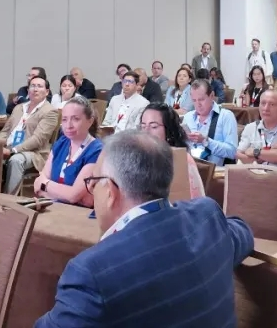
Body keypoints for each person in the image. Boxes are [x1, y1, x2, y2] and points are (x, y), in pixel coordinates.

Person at [35, 131, 254, 328]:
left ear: (110, 192)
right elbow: (243, 231)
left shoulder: (92, 273)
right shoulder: (207, 217)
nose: (92, 189)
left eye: (93, 182)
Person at [33, 97, 103, 207]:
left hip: (78, 213)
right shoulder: (61, 143)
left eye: (76, 119)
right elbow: (38, 187)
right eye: (64, 119)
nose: (68, 125)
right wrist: (68, 195)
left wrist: (45, 184)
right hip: (52, 207)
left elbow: (73, 196)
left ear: (90, 121)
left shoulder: (97, 150)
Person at [0, 75, 60, 195]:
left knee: (16, 160)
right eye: (32, 86)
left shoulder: (50, 111)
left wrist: (12, 151)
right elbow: (4, 131)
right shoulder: (18, 108)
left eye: (39, 86)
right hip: (8, 147)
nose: (35, 89)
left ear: (47, 92)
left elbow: (37, 139)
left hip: (34, 152)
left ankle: (9, 197)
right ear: (28, 90)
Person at [139, 103, 205, 199]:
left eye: (154, 127)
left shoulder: (182, 160)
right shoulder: (137, 158)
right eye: (143, 126)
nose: (146, 132)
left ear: (168, 131)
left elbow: (195, 201)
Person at [182, 79, 239, 165]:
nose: (198, 104)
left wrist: (206, 141)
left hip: (216, 170)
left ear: (212, 95)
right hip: (191, 167)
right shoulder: (188, 117)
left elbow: (232, 152)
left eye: (201, 99)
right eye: (194, 100)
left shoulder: (226, 116)